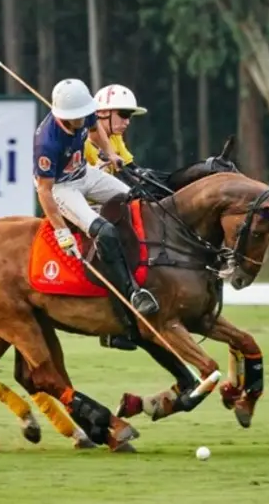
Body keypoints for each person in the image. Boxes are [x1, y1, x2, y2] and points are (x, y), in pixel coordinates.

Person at [34, 78, 159, 345]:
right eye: (78, 116)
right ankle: (131, 294)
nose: (84, 118)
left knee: (134, 200)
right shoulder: (47, 143)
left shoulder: (84, 111)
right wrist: (62, 232)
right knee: (106, 231)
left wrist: (110, 152)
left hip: (84, 174)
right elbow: (44, 191)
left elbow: (95, 132)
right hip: (62, 188)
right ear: (66, 116)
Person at [83, 84, 148, 351]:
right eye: (122, 114)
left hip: (109, 203)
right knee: (115, 240)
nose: (127, 122)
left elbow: (133, 170)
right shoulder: (83, 140)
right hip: (84, 207)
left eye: (130, 116)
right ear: (103, 114)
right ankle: (115, 324)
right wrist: (98, 164)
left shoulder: (116, 139)